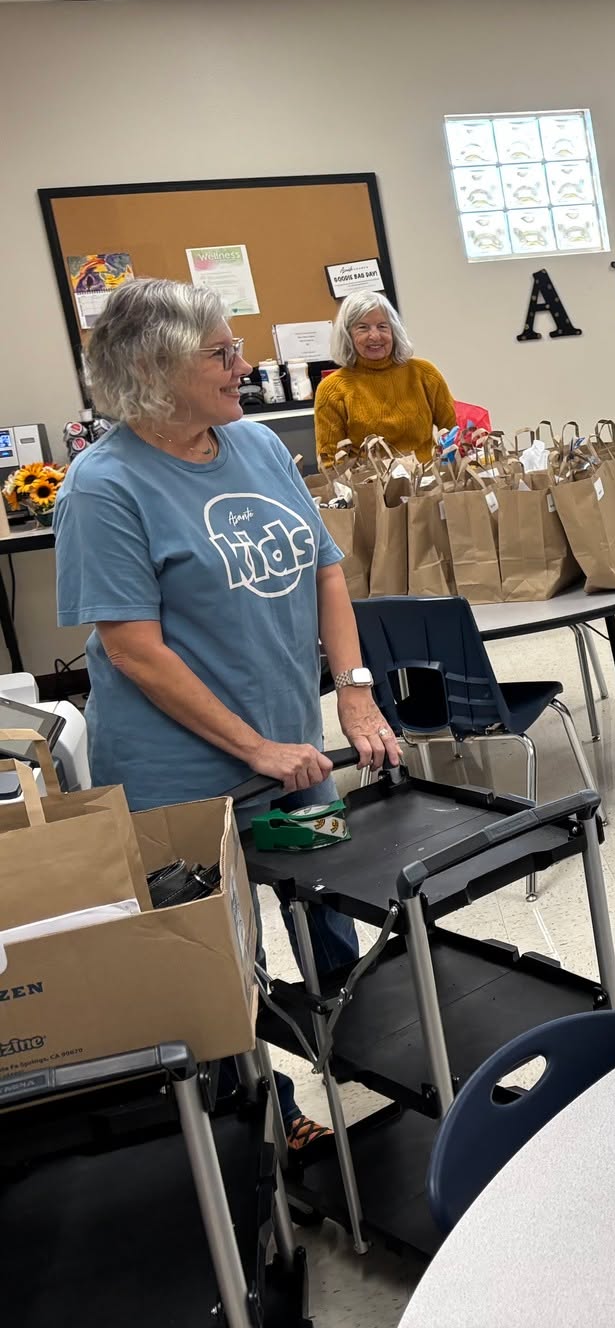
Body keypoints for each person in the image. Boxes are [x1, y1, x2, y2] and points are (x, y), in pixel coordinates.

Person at [55, 277, 406, 1152]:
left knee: (327, 915)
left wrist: (353, 690)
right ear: (155, 372)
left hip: (295, 752)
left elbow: (326, 568)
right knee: (221, 963)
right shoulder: (102, 489)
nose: (243, 366)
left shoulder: (255, 444)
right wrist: (256, 747)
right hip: (180, 776)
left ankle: (381, 1069)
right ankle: (267, 1126)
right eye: (221, 354)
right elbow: (135, 650)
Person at [313, 289, 455, 466]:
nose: (374, 336)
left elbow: (452, 434)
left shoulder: (424, 373)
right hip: (371, 487)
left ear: (394, 331)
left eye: (382, 326)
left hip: (430, 483)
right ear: (347, 334)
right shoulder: (332, 389)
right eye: (363, 327)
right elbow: (330, 461)